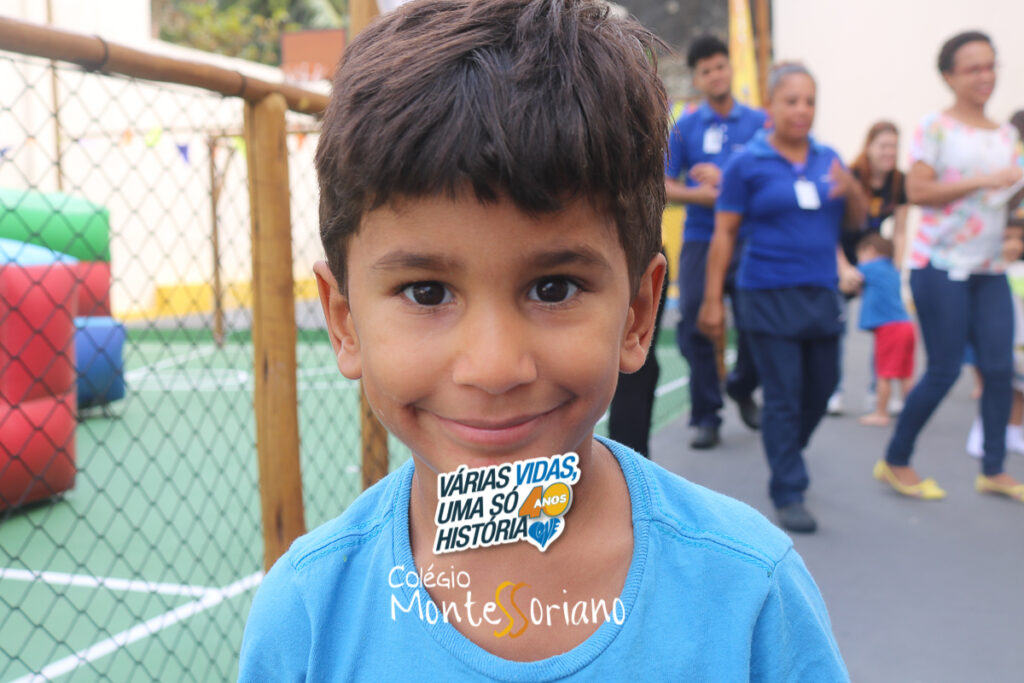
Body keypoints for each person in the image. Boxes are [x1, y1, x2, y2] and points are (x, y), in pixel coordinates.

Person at [238, 1, 848, 678]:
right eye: (427, 292)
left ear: (638, 314)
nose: (495, 367)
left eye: (554, 288)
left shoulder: (750, 592)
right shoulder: (307, 617)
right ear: (345, 320)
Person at [698, 62, 868, 533]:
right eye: (791, 100)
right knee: (784, 396)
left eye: (810, 101)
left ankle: (781, 440)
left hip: (821, 292)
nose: (802, 109)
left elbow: (855, 221)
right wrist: (712, 299)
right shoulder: (746, 163)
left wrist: (853, 189)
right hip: (766, 291)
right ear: (770, 106)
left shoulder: (829, 159)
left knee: (822, 388)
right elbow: (724, 234)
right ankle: (788, 488)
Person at [876, 31, 1024, 503]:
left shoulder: (1006, 135)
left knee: (999, 369)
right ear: (949, 76)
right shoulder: (935, 127)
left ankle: (993, 469)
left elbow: (1002, 199)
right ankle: (896, 459)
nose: (986, 76)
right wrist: (984, 180)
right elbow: (917, 192)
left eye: (991, 65)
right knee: (944, 369)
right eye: (973, 68)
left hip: (989, 268)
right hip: (938, 266)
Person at [665, 35, 765, 449]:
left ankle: (742, 386)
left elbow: (773, 178)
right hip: (702, 239)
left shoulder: (760, 123)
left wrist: (727, 187)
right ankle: (706, 414)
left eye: (720, 66)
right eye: (706, 71)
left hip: (749, 238)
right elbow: (665, 186)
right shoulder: (685, 127)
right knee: (694, 322)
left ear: (730, 68)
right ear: (697, 79)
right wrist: (700, 195)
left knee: (758, 320)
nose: (715, 75)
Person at [829, 121, 909, 415]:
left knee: (886, 328)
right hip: (842, 257)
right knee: (836, 327)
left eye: (894, 146)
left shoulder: (899, 182)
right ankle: (833, 391)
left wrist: (894, 269)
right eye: (883, 146)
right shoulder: (850, 176)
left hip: (875, 261)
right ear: (869, 147)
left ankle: (879, 392)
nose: (890, 152)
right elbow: (828, 229)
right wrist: (843, 268)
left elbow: (900, 231)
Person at [842, 233, 915, 428]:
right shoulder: (892, 268)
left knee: (884, 373)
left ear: (870, 251)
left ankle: (880, 412)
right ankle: (912, 411)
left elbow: (849, 279)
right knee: (905, 374)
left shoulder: (871, 267)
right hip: (906, 325)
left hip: (889, 327)